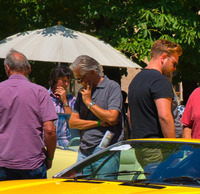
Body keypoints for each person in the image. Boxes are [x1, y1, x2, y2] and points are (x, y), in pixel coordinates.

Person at [0, 50, 57, 180]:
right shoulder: (40, 92)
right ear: (29, 68)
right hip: (33, 163)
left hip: (3, 162)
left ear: (7, 68)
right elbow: (50, 130)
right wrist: (49, 157)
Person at [68, 55, 123, 167]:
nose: (79, 83)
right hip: (83, 151)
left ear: (92, 72)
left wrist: (89, 103)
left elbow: (112, 118)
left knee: (103, 184)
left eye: (80, 78)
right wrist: (98, 123)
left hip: (105, 152)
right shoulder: (82, 92)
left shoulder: (112, 87)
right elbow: (73, 123)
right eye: (76, 79)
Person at [128, 39, 182, 138]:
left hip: (139, 144)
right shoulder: (160, 80)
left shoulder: (135, 80)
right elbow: (165, 117)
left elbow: (129, 115)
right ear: (164, 58)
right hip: (157, 146)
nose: (174, 68)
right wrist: (171, 146)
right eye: (174, 63)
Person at [48, 65, 77, 147]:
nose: (67, 84)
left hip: (65, 143)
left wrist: (65, 101)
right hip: (46, 142)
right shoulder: (44, 97)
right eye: (64, 81)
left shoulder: (71, 100)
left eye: (68, 81)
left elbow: (73, 122)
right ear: (56, 79)